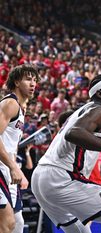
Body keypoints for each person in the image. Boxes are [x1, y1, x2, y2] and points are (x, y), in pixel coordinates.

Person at [31, 74, 101, 233]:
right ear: (100, 94)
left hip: (41, 178)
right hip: (61, 177)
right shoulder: (99, 109)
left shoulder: (85, 111)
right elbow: (74, 133)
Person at [0, 65, 38, 233]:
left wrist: (17, 170)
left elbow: (9, 144)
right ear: (16, 81)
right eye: (28, 79)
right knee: (7, 222)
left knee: (18, 223)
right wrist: (13, 167)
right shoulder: (10, 103)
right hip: (2, 168)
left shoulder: (22, 109)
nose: (33, 84)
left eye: (35, 80)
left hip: (8, 169)